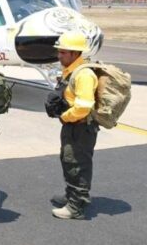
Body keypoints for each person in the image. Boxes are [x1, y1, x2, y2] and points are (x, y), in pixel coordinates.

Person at [49, 31, 99, 220]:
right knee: (69, 161)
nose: (59, 55)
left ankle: (76, 206)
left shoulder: (84, 74)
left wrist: (65, 117)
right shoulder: (72, 70)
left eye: (63, 52)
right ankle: (72, 196)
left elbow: (84, 106)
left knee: (78, 164)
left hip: (80, 127)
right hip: (73, 126)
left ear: (74, 53)